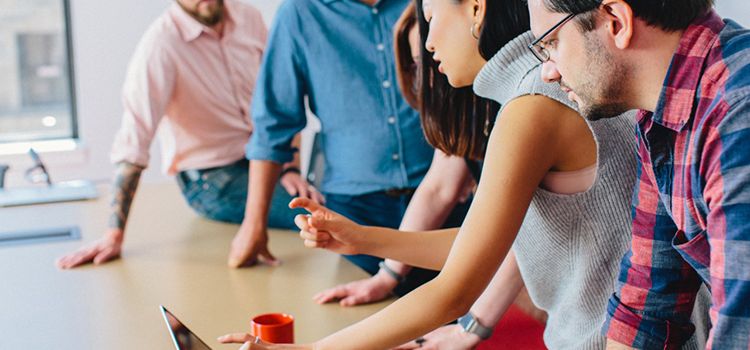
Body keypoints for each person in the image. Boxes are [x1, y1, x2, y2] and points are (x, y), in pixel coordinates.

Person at [219, 0, 702, 348]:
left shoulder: (533, 104)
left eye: (431, 19)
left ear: (475, 9)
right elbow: (492, 242)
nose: (426, 42)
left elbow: (454, 291)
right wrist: (364, 238)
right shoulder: (537, 90)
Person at [526, 0, 750, 348]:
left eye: (551, 43)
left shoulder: (739, 112)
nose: (548, 72)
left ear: (616, 20)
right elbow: (646, 304)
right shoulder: (659, 118)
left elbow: (740, 334)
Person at [55, 0, 316, 269]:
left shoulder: (249, 18)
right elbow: (134, 140)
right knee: (316, 215)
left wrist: (290, 168)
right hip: (212, 179)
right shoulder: (161, 44)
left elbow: (281, 101)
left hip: (266, 162)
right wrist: (113, 234)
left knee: (330, 203)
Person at [226, 0, 439, 300]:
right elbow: (273, 124)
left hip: (444, 198)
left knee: (450, 325)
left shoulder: (428, 3)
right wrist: (254, 223)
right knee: (365, 322)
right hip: (354, 210)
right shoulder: (299, 14)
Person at [310, 3, 479, 307]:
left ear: (477, 12)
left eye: (429, 58)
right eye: (417, 64)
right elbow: (440, 189)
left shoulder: (517, 106)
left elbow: (501, 246)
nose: (431, 54)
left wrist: (469, 329)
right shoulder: (469, 113)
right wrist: (386, 275)